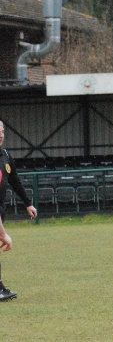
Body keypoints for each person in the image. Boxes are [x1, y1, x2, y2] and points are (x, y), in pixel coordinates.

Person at [0, 120, 38, 301]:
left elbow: (14, 180)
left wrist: (27, 203)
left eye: (2, 131)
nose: (0, 134)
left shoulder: (5, 154)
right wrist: (4, 234)